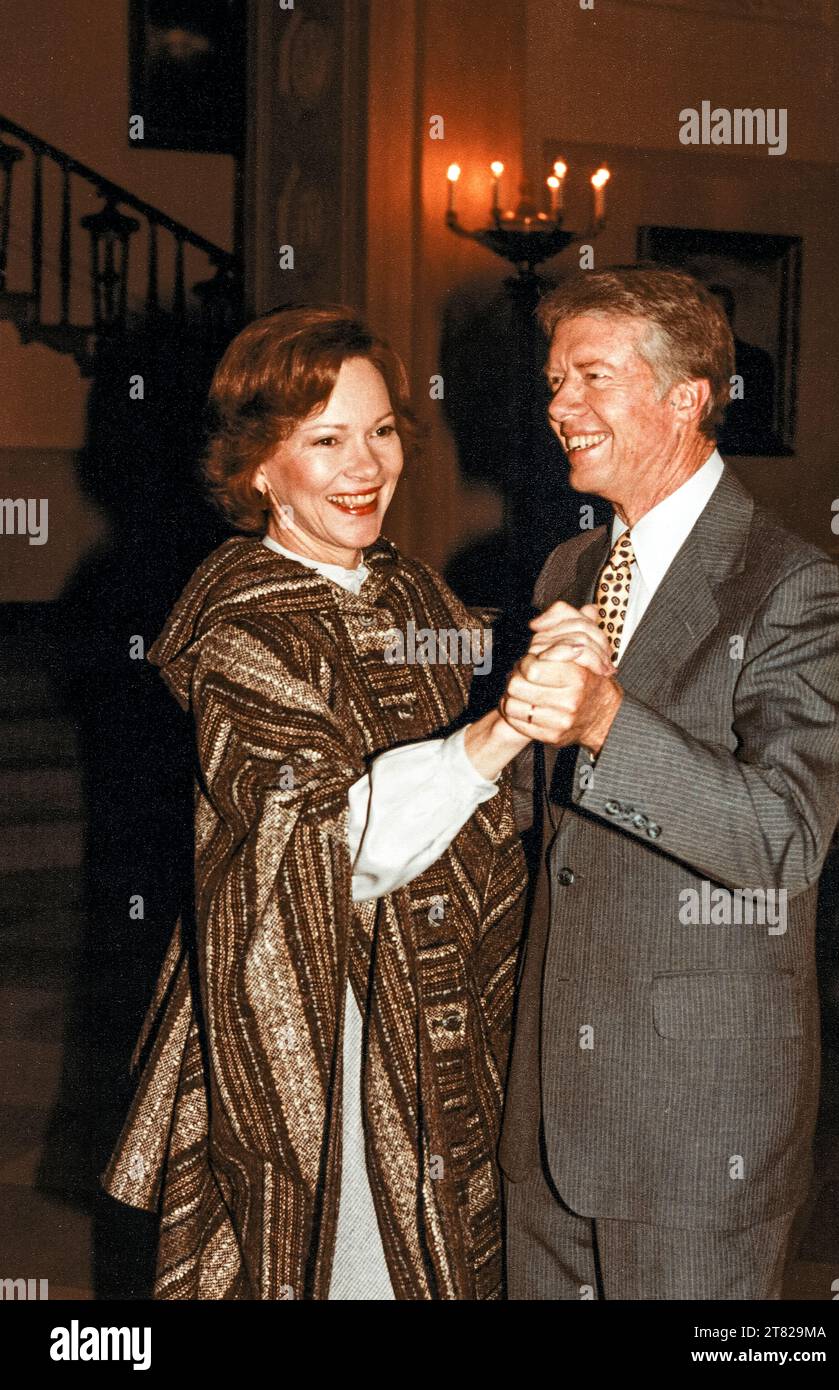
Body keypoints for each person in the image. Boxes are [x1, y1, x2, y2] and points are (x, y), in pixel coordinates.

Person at [98, 306, 593, 1300]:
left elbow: (506, 744)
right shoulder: (239, 625)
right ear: (256, 468)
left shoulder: (407, 591)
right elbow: (336, 833)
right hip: (320, 1023)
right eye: (323, 439)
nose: (364, 463)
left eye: (379, 430)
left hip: (442, 1006)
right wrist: (501, 731)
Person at [497, 267, 839, 1299]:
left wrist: (608, 718)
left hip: (698, 1125)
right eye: (555, 380)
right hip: (549, 1113)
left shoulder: (796, 587)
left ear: (686, 396)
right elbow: (541, 816)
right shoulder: (569, 568)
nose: (559, 404)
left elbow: (787, 839)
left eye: (590, 377)